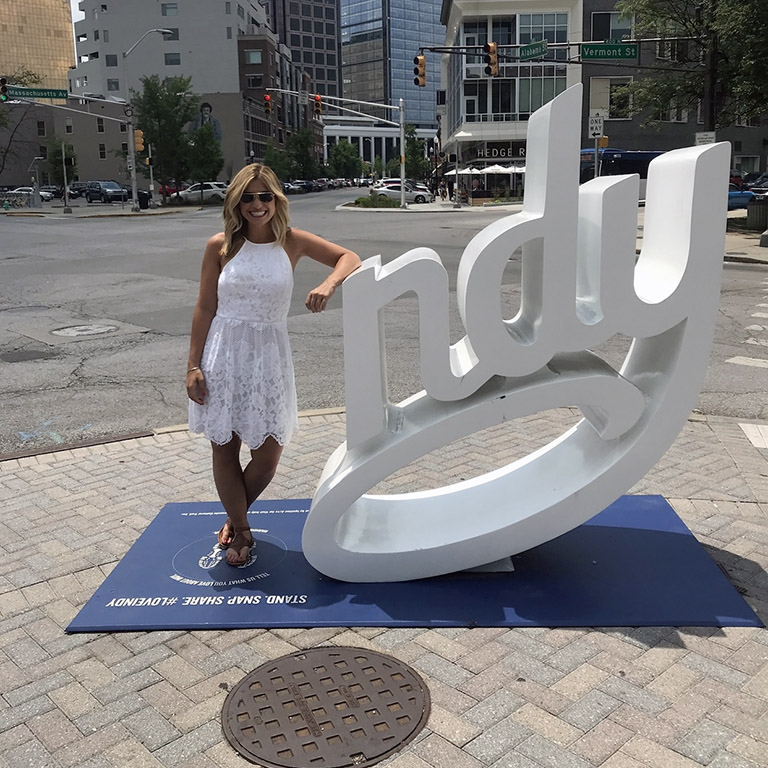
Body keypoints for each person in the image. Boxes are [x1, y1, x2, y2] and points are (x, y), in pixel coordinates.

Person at [186, 164, 361, 565]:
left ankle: (235, 516)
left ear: (277, 199)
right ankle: (242, 529)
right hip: (224, 354)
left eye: (265, 196)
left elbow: (349, 257)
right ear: (236, 202)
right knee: (224, 446)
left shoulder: (291, 242)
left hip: (270, 356)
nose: (256, 204)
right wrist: (193, 364)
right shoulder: (220, 246)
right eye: (247, 197)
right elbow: (205, 306)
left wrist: (328, 284)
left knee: (270, 451)